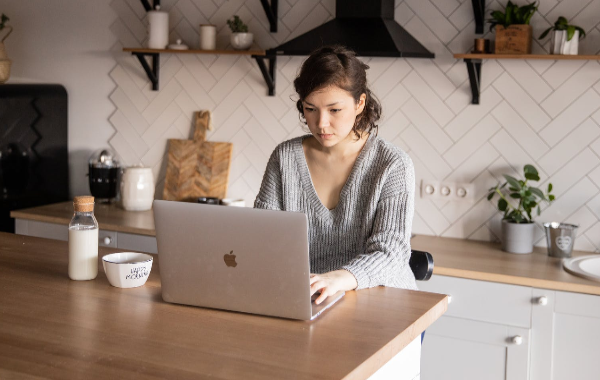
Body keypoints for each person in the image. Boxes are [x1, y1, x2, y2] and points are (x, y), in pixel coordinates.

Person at [254, 45, 417, 306]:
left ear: (360, 103)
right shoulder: (284, 157)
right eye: (310, 109)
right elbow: (262, 236)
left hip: (382, 305)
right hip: (308, 300)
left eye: (334, 110)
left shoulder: (392, 164)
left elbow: (391, 253)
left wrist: (339, 278)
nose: (321, 123)